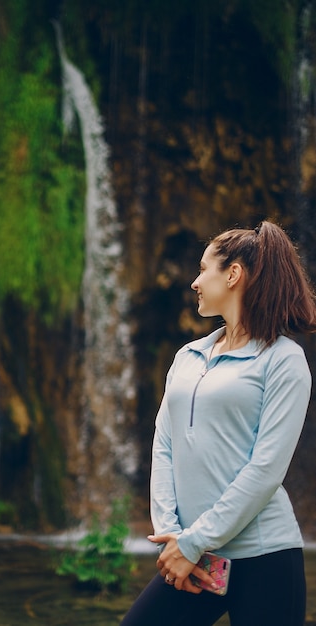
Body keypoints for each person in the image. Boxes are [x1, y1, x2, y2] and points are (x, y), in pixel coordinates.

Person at [120, 221, 316, 626]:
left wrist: (194, 541)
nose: (194, 281)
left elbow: (265, 470)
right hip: (197, 556)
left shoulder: (283, 361)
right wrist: (172, 536)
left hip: (265, 556)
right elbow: (164, 445)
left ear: (233, 274)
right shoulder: (187, 356)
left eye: (203, 269)